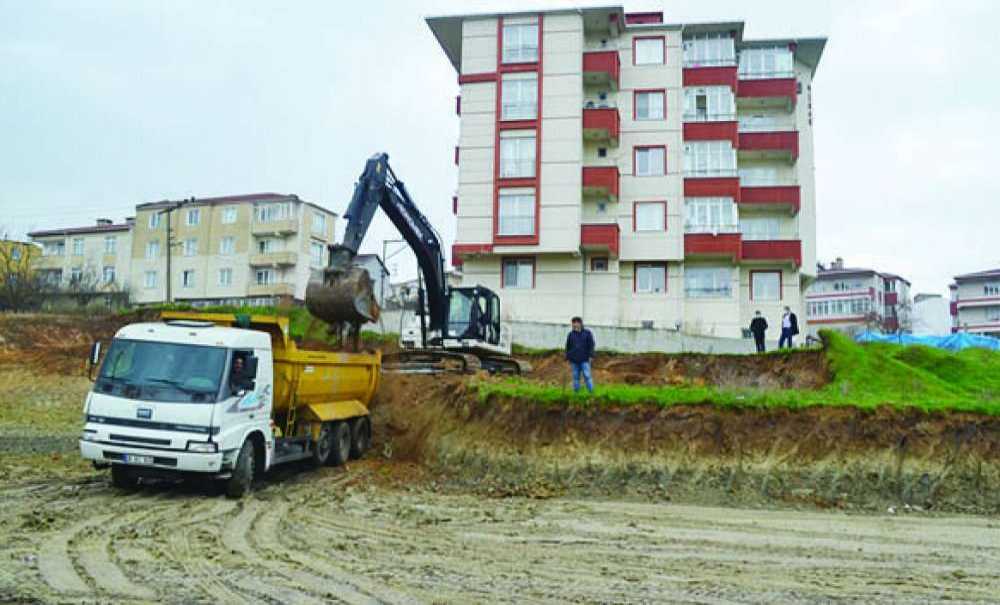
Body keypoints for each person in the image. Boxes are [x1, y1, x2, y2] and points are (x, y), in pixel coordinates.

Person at [565, 316, 595, 393]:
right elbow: (568, 346)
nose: (574, 324)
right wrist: (567, 357)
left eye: (576, 323)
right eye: (573, 323)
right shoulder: (571, 334)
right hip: (574, 360)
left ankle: (591, 392)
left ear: (580, 323)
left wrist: (591, 355)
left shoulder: (587, 333)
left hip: (585, 359)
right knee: (575, 377)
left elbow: (591, 345)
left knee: (587, 376)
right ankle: (576, 392)